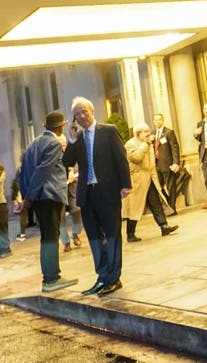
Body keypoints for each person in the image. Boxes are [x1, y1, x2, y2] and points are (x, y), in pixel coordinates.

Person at [63, 97, 132, 297]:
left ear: (92, 111)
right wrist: (71, 141)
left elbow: (121, 158)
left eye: (84, 111)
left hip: (107, 192)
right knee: (94, 237)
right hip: (87, 195)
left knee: (112, 235)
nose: (82, 116)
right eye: (77, 114)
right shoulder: (78, 138)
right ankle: (102, 277)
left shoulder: (108, 131)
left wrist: (125, 184)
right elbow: (67, 161)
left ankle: (113, 278)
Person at [18, 111, 79, 293]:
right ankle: (51, 278)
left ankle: (50, 277)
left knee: (47, 236)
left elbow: (23, 174)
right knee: (51, 237)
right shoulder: (53, 143)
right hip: (49, 196)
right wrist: (29, 198)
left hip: (39, 198)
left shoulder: (33, 144)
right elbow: (43, 171)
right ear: (60, 127)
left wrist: (27, 196)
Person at [123, 122, 178, 241]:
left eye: (149, 132)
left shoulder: (148, 144)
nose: (149, 134)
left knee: (155, 203)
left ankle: (164, 226)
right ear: (138, 133)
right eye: (146, 132)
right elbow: (136, 158)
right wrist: (143, 146)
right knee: (135, 208)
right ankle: (130, 234)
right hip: (137, 181)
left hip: (150, 178)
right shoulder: (130, 144)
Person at [151, 113, 182, 214]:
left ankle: (172, 208)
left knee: (170, 186)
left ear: (162, 120)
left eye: (159, 119)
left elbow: (175, 148)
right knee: (158, 187)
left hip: (167, 164)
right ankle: (168, 202)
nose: (157, 121)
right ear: (154, 122)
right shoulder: (153, 134)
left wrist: (176, 163)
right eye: (156, 120)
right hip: (157, 165)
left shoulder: (169, 132)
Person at [59, 166, 83, 252]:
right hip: (59, 191)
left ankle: (75, 233)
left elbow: (80, 167)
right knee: (60, 218)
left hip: (73, 188)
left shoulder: (73, 154)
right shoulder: (54, 155)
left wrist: (74, 173)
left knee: (77, 210)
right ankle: (66, 243)